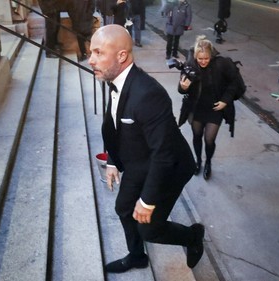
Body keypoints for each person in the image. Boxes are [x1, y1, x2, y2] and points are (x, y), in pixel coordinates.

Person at [88, 24, 205, 273]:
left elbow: (164, 154)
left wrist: (148, 200)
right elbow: (114, 124)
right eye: (91, 52)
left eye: (98, 53)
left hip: (170, 164)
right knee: (123, 208)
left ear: (122, 56)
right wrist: (111, 161)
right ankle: (137, 256)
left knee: (149, 227)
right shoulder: (115, 79)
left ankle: (193, 236)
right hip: (139, 159)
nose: (91, 60)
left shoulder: (148, 93)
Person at [178, 35, 238, 180]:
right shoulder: (190, 66)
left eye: (206, 58)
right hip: (197, 108)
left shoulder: (221, 65)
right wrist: (183, 87)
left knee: (209, 140)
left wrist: (225, 100)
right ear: (195, 56)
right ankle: (198, 161)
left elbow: (234, 83)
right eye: (200, 59)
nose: (203, 61)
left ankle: (208, 162)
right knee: (197, 136)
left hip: (214, 109)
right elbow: (180, 90)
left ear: (211, 55)